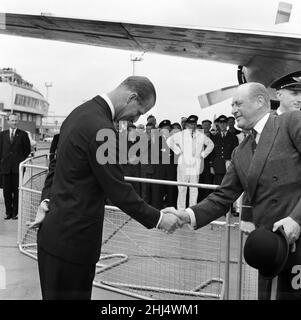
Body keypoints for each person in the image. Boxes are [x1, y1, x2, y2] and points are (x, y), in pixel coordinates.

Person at [30, 76, 181, 300]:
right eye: (139, 111)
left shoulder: (78, 113)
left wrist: (46, 201)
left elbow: (56, 163)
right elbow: (118, 190)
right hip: (74, 246)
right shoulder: (103, 130)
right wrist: (159, 218)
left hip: (52, 238)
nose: (137, 118)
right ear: (131, 97)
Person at [168, 82, 301, 300]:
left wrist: (296, 219)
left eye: (238, 103)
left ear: (260, 102)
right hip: (271, 249)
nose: (232, 110)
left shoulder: (290, 122)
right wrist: (186, 215)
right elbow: (222, 197)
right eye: (232, 105)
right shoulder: (241, 151)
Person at [167, 115, 214, 209]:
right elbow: (169, 141)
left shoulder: (200, 135)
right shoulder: (181, 134)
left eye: (194, 124)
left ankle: (192, 208)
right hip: (183, 162)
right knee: (182, 187)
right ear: (187, 125)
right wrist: (178, 151)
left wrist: (203, 154)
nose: (193, 126)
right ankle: (181, 209)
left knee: (194, 187)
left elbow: (211, 144)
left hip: (195, 163)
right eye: (191, 124)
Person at [0, 113, 31, 220]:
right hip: (5, 168)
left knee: (17, 191)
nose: (14, 123)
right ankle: (8, 212)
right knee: (6, 192)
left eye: (15, 121)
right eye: (12, 120)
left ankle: (15, 213)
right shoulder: (2, 134)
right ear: (8, 121)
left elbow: (27, 150)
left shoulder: (23, 134)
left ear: (18, 121)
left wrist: (19, 160)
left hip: (18, 168)